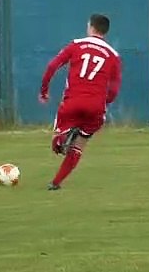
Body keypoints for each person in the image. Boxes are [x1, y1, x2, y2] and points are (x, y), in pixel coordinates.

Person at [39, 13, 122, 191]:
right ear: (105, 31)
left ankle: (61, 137)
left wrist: (44, 91)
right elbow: (114, 88)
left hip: (73, 102)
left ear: (90, 27)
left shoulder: (76, 45)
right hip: (96, 107)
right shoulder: (113, 56)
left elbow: (52, 66)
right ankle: (56, 182)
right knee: (80, 144)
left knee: (57, 140)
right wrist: (105, 102)